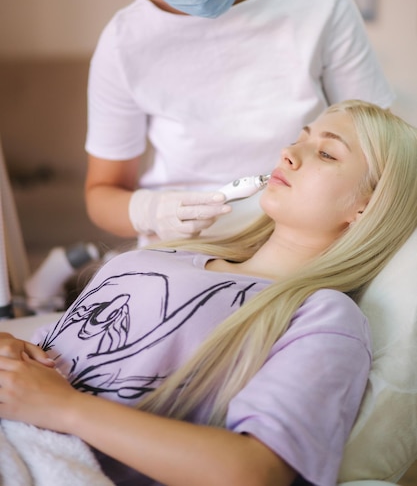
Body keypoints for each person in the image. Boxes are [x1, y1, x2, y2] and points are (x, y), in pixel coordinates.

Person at [1, 100, 416, 486]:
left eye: (327, 153)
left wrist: (62, 408)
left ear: (366, 206)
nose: (288, 154)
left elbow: (257, 471)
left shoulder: (321, 315)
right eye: (299, 139)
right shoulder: (179, 253)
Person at [84, 0, 394, 244]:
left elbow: (381, 153)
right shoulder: (124, 41)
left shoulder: (318, 2)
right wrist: (150, 211)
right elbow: (102, 194)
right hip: (183, 249)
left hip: (298, 243)